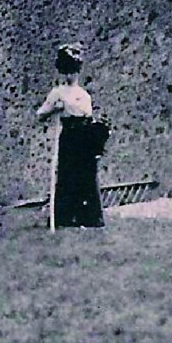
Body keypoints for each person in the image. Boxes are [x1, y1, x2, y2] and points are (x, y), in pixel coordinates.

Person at [36, 43, 107, 229]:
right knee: (68, 175)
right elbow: (39, 115)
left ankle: (90, 218)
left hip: (85, 137)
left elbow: (89, 117)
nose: (70, 75)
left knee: (87, 176)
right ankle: (65, 218)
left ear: (78, 72)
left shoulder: (84, 95)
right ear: (62, 71)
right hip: (69, 136)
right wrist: (54, 109)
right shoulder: (57, 92)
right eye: (66, 70)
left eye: (73, 70)